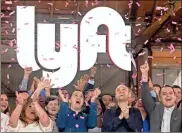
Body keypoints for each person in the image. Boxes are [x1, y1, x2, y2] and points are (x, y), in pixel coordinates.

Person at [140, 63, 182, 132]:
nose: (168, 95)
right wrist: (144, 74)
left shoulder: (180, 112)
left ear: (175, 97)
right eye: (164, 94)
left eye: (171, 93)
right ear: (160, 97)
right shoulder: (154, 108)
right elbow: (145, 96)